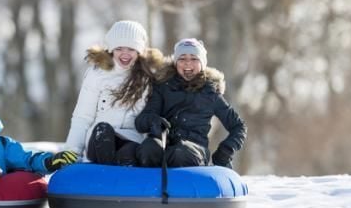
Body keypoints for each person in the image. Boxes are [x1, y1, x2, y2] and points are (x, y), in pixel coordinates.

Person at [63, 20, 167, 165]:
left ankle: (122, 177)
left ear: (139, 51)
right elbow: (83, 117)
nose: (125, 54)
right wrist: (71, 152)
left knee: (130, 151)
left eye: (131, 49)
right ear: (111, 49)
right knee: (103, 130)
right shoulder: (98, 74)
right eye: (119, 48)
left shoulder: (149, 77)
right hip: (99, 141)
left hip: (131, 140)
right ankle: (107, 174)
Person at [135, 38, 246, 168]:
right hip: (166, 144)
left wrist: (225, 151)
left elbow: (238, 127)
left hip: (195, 150)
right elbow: (140, 122)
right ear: (176, 63)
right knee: (148, 148)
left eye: (194, 59)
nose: (188, 64)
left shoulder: (210, 93)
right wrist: (154, 121)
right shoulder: (163, 87)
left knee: (180, 152)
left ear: (202, 63)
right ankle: (146, 185)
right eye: (182, 59)